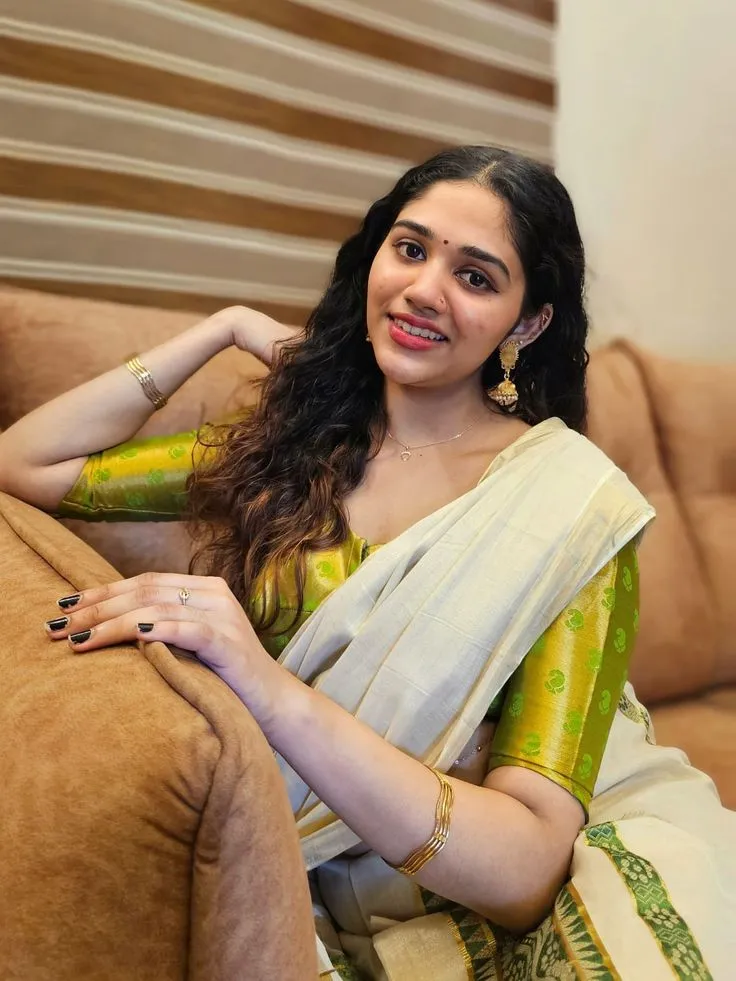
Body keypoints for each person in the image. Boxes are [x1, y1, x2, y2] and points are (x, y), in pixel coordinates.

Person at [0, 145, 733, 980]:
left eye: (478, 277)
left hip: (495, 868)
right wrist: (222, 329)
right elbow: (26, 465)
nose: (424, 290)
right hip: (317, 848)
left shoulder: (568, 506)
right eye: (410, 248)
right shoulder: (289, 450)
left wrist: (271, 692)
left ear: (527, 324)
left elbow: (528, 871)